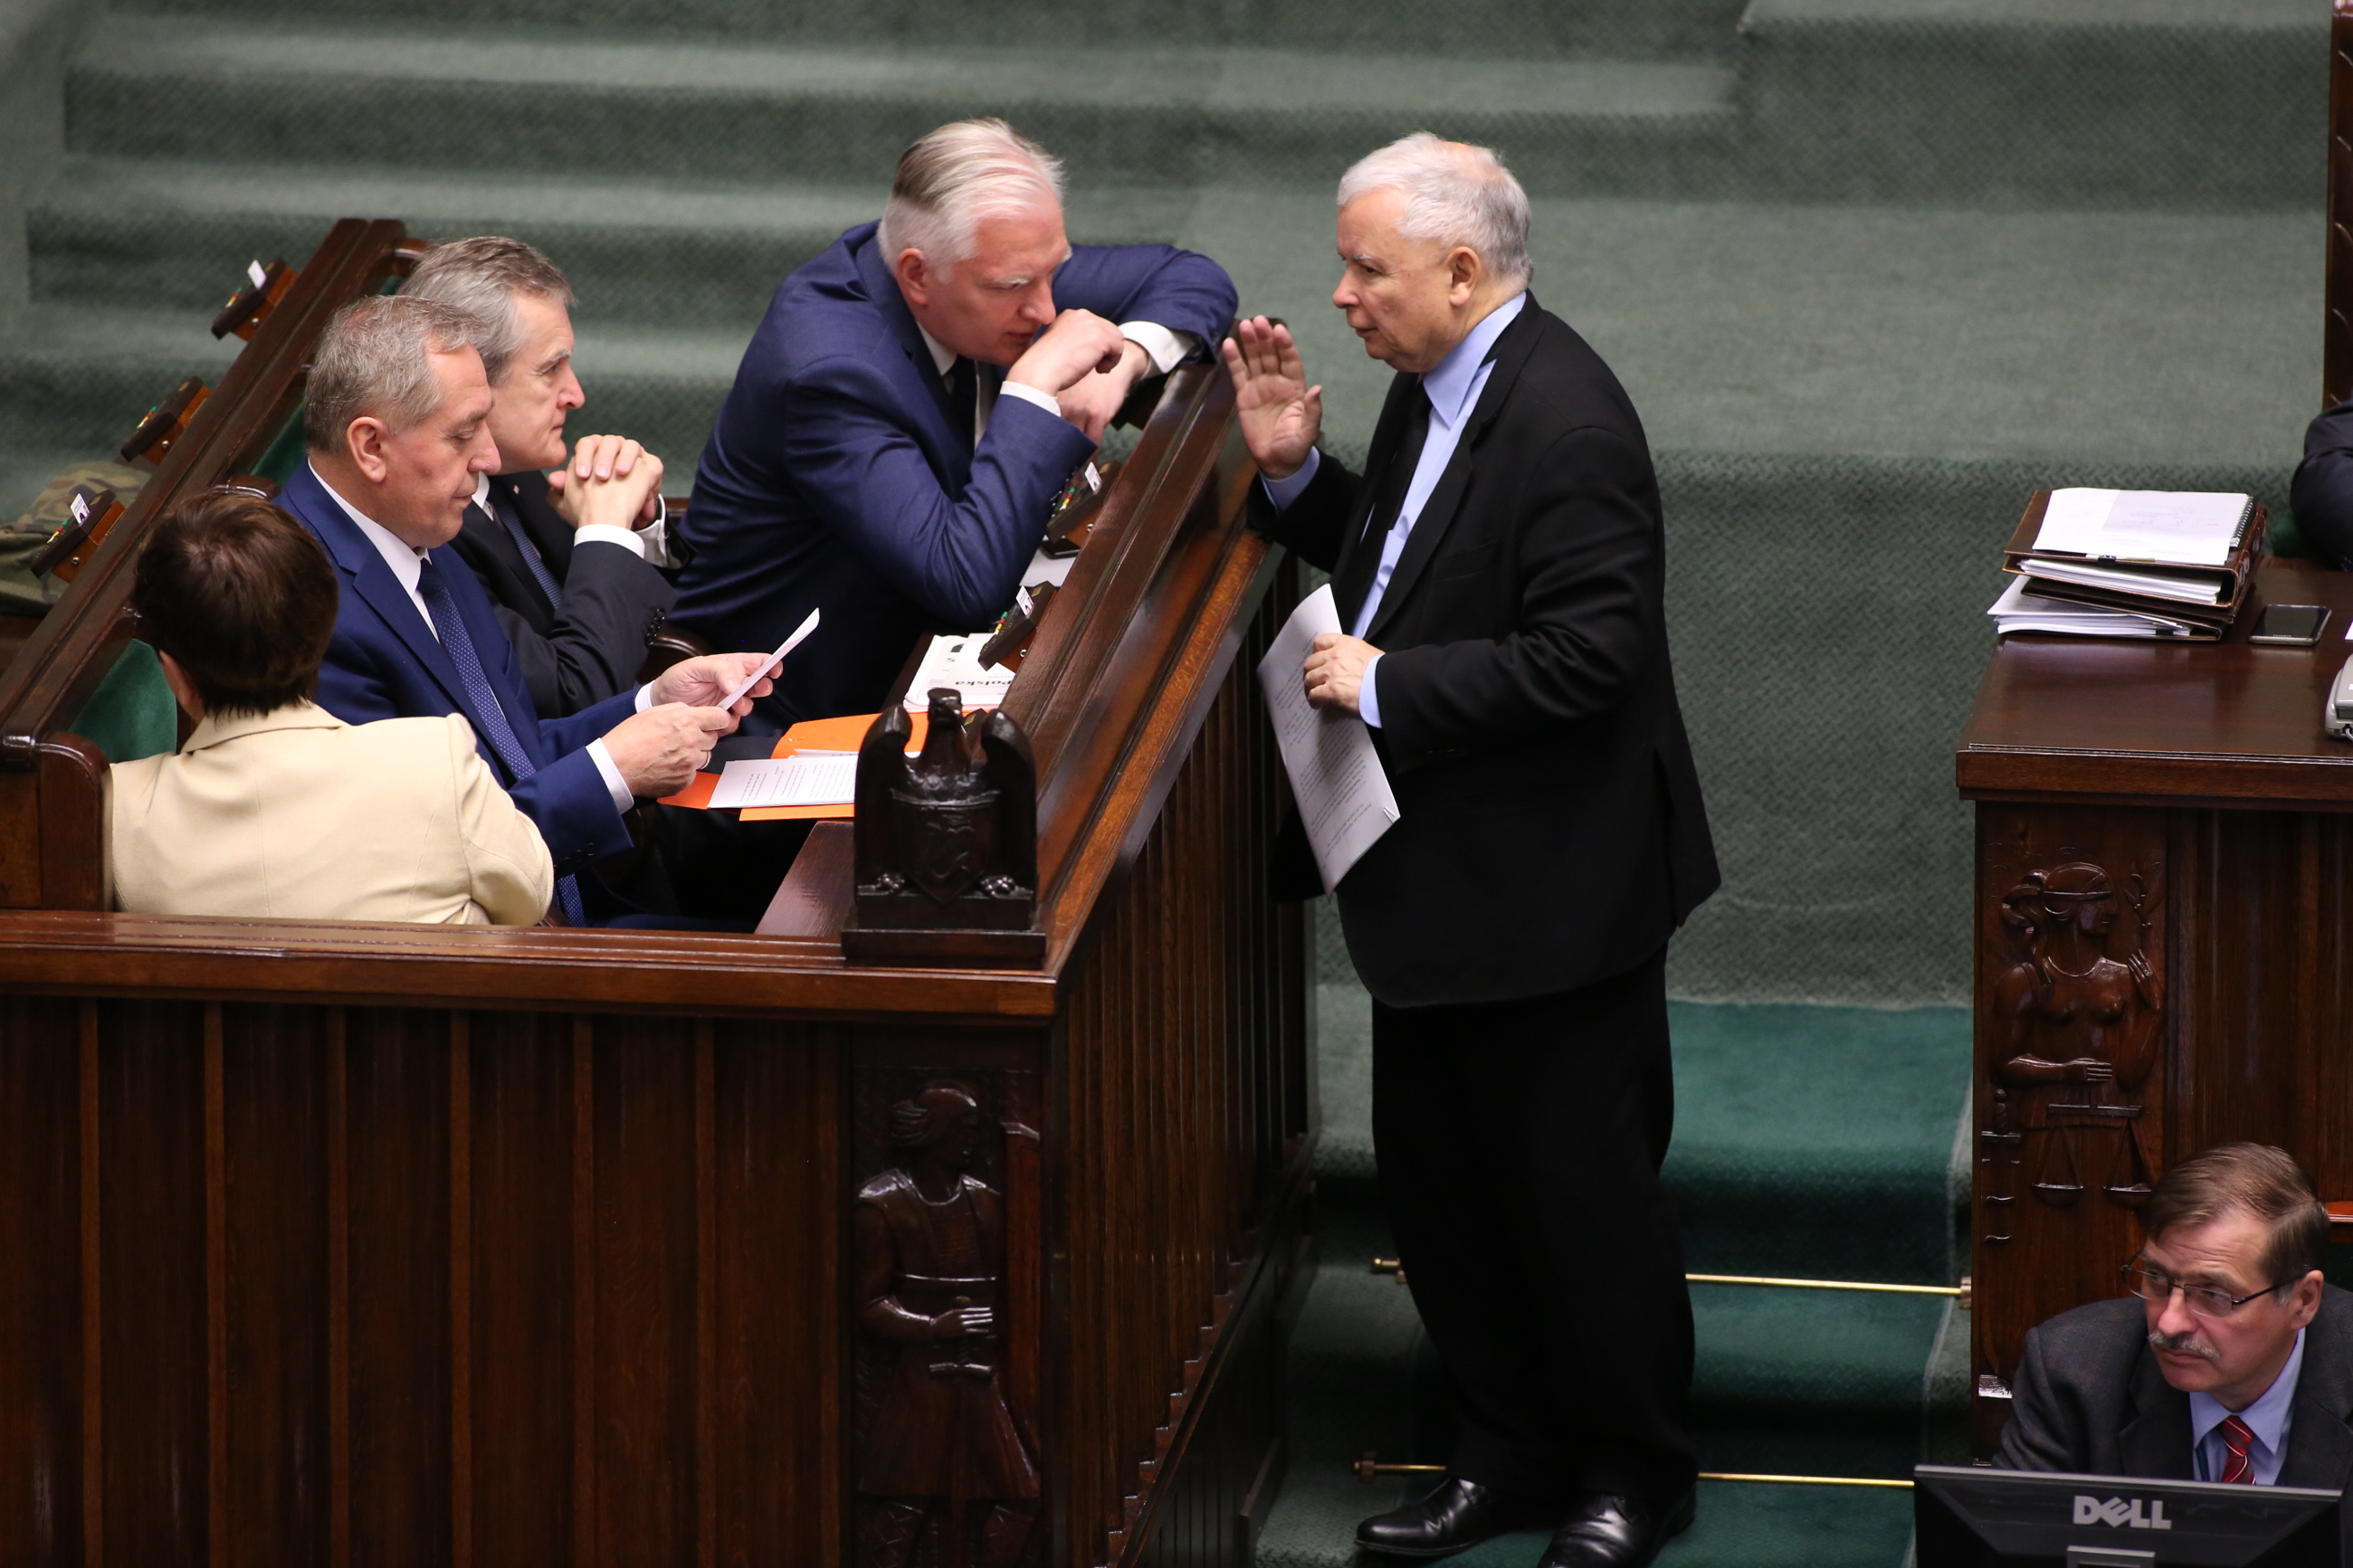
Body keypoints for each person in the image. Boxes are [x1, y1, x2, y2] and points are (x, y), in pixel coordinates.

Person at [1224, 134, 1719, 1568]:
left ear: (1460, 269)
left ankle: (1634, 1473)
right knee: (1448, 1197)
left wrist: (1385, 685)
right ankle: (1504, 1452)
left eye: (1366, 269)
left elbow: (1590, 658)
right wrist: (1296, 476)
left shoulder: (1569, 423)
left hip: (1555, 899)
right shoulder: (1433, 387)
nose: (1342, 296)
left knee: (1580, 1203)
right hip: (1436, 890)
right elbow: (1406, 568)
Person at [672, 117, 1237, 728]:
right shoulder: (831, 373)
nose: (1046, 308)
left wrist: (1126, 361)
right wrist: (1030, 390)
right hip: (786, 720)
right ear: (917, 274)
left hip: (918, 663)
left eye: (1054, 270)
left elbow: (1191, 278)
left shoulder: (991, 266)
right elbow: (966, 583)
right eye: (1015, 285)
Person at [275, 294, 776, 926]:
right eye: (463, 434)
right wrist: (613, 770)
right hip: (485, 951)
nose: (488, 458)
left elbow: (512, 742)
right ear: (371, 446)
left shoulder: (418, 528)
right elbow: (431, 858)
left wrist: (648, 704)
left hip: (566, 906)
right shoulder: (303, 601)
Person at [110, 488, 552, 926]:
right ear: (323, 626)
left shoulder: (116, 810)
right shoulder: (435, 762)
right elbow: (530, 901)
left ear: (173, 674)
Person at [1996, 1142, 2353, 1557]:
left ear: (2303, 1300)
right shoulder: (2072, 1369)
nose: (2169, 1323)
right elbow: (2012, 1547)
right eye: (2158, 1280)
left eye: (2214, 1294)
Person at [402, 236, 680, 717]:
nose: (576, 394)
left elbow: (651, 614)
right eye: (551, 369)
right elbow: (569, 697)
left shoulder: (518, 472)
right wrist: (605, 532)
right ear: (470, 378)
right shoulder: (428, 528)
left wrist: (637, 526)